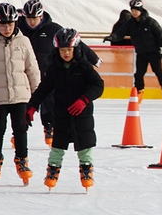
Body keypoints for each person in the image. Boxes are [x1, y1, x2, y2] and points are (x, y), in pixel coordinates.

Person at [27, 27, 105, 190]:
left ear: (75, 48)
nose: (66, 53)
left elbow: (98, 85)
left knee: (85, 146)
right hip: (61, 115)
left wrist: (84, 100)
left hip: (82, 114)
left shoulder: (84, 67)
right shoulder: (54, 69)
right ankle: (53, 170)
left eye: (69, 49)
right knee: (57, 146)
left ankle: (86, 170)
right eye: (63, 50)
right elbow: (44, 89)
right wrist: (32, 106)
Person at [17, 0, 101, 145]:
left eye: (35, 18)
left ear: (41, 15)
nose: (31, 22)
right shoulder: (18, 29)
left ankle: (49, 127)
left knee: (49, 100)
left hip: (46, 71)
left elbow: (76, 42)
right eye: (29, 18)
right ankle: (19, 131)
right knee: (24, 102)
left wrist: (93, 58)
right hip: (23, 72)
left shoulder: (53, 28)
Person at [0, 3, 40, 184]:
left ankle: (22, 160)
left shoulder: (24, 42)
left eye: (10, 25)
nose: (6, 29)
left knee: (20, 128)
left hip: (21, 95)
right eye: (3, 25)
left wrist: (37, 96)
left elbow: (32, 69)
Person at [108, 0, 162, 101]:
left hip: (154, 52)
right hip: (141, 53)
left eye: (136, 10)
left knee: (158, 71)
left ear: (141, 10)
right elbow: (120, 33)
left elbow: (160, 36)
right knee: (139, 73)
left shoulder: (150, 22)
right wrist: (112, 37)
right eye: (132, 10)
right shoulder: (130, 23)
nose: (134, 12)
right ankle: (139, 90)